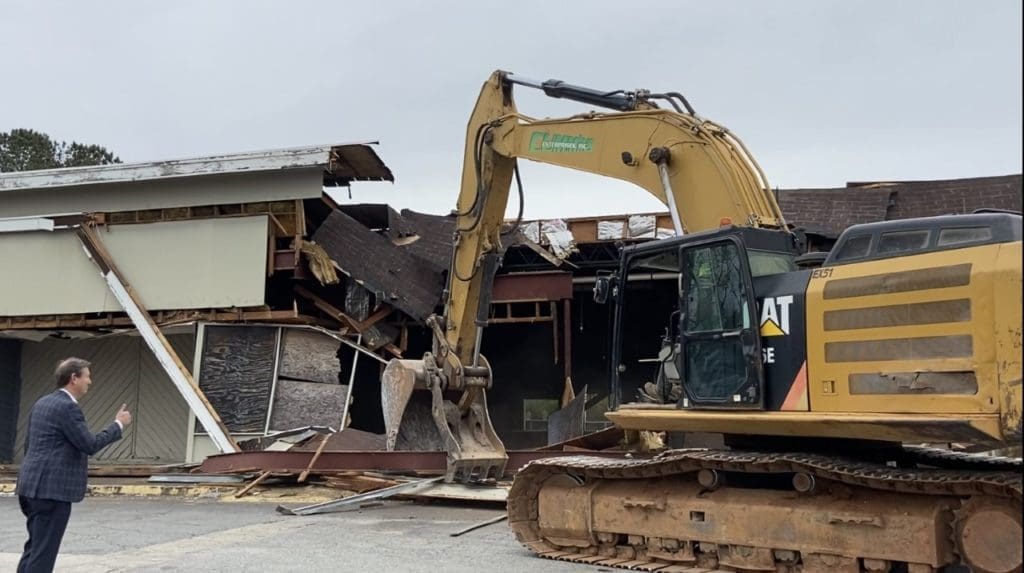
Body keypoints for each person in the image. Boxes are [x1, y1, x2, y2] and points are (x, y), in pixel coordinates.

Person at [16, 357, 133, 573]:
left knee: (34, 548)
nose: (90, 381)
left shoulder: (42, 403)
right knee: (43, 554)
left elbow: (29, 445)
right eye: (87, 376)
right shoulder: (67, 408)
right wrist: (118, 425)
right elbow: (89, 444)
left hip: (30, 487)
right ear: (74, 378)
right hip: (53, 492)